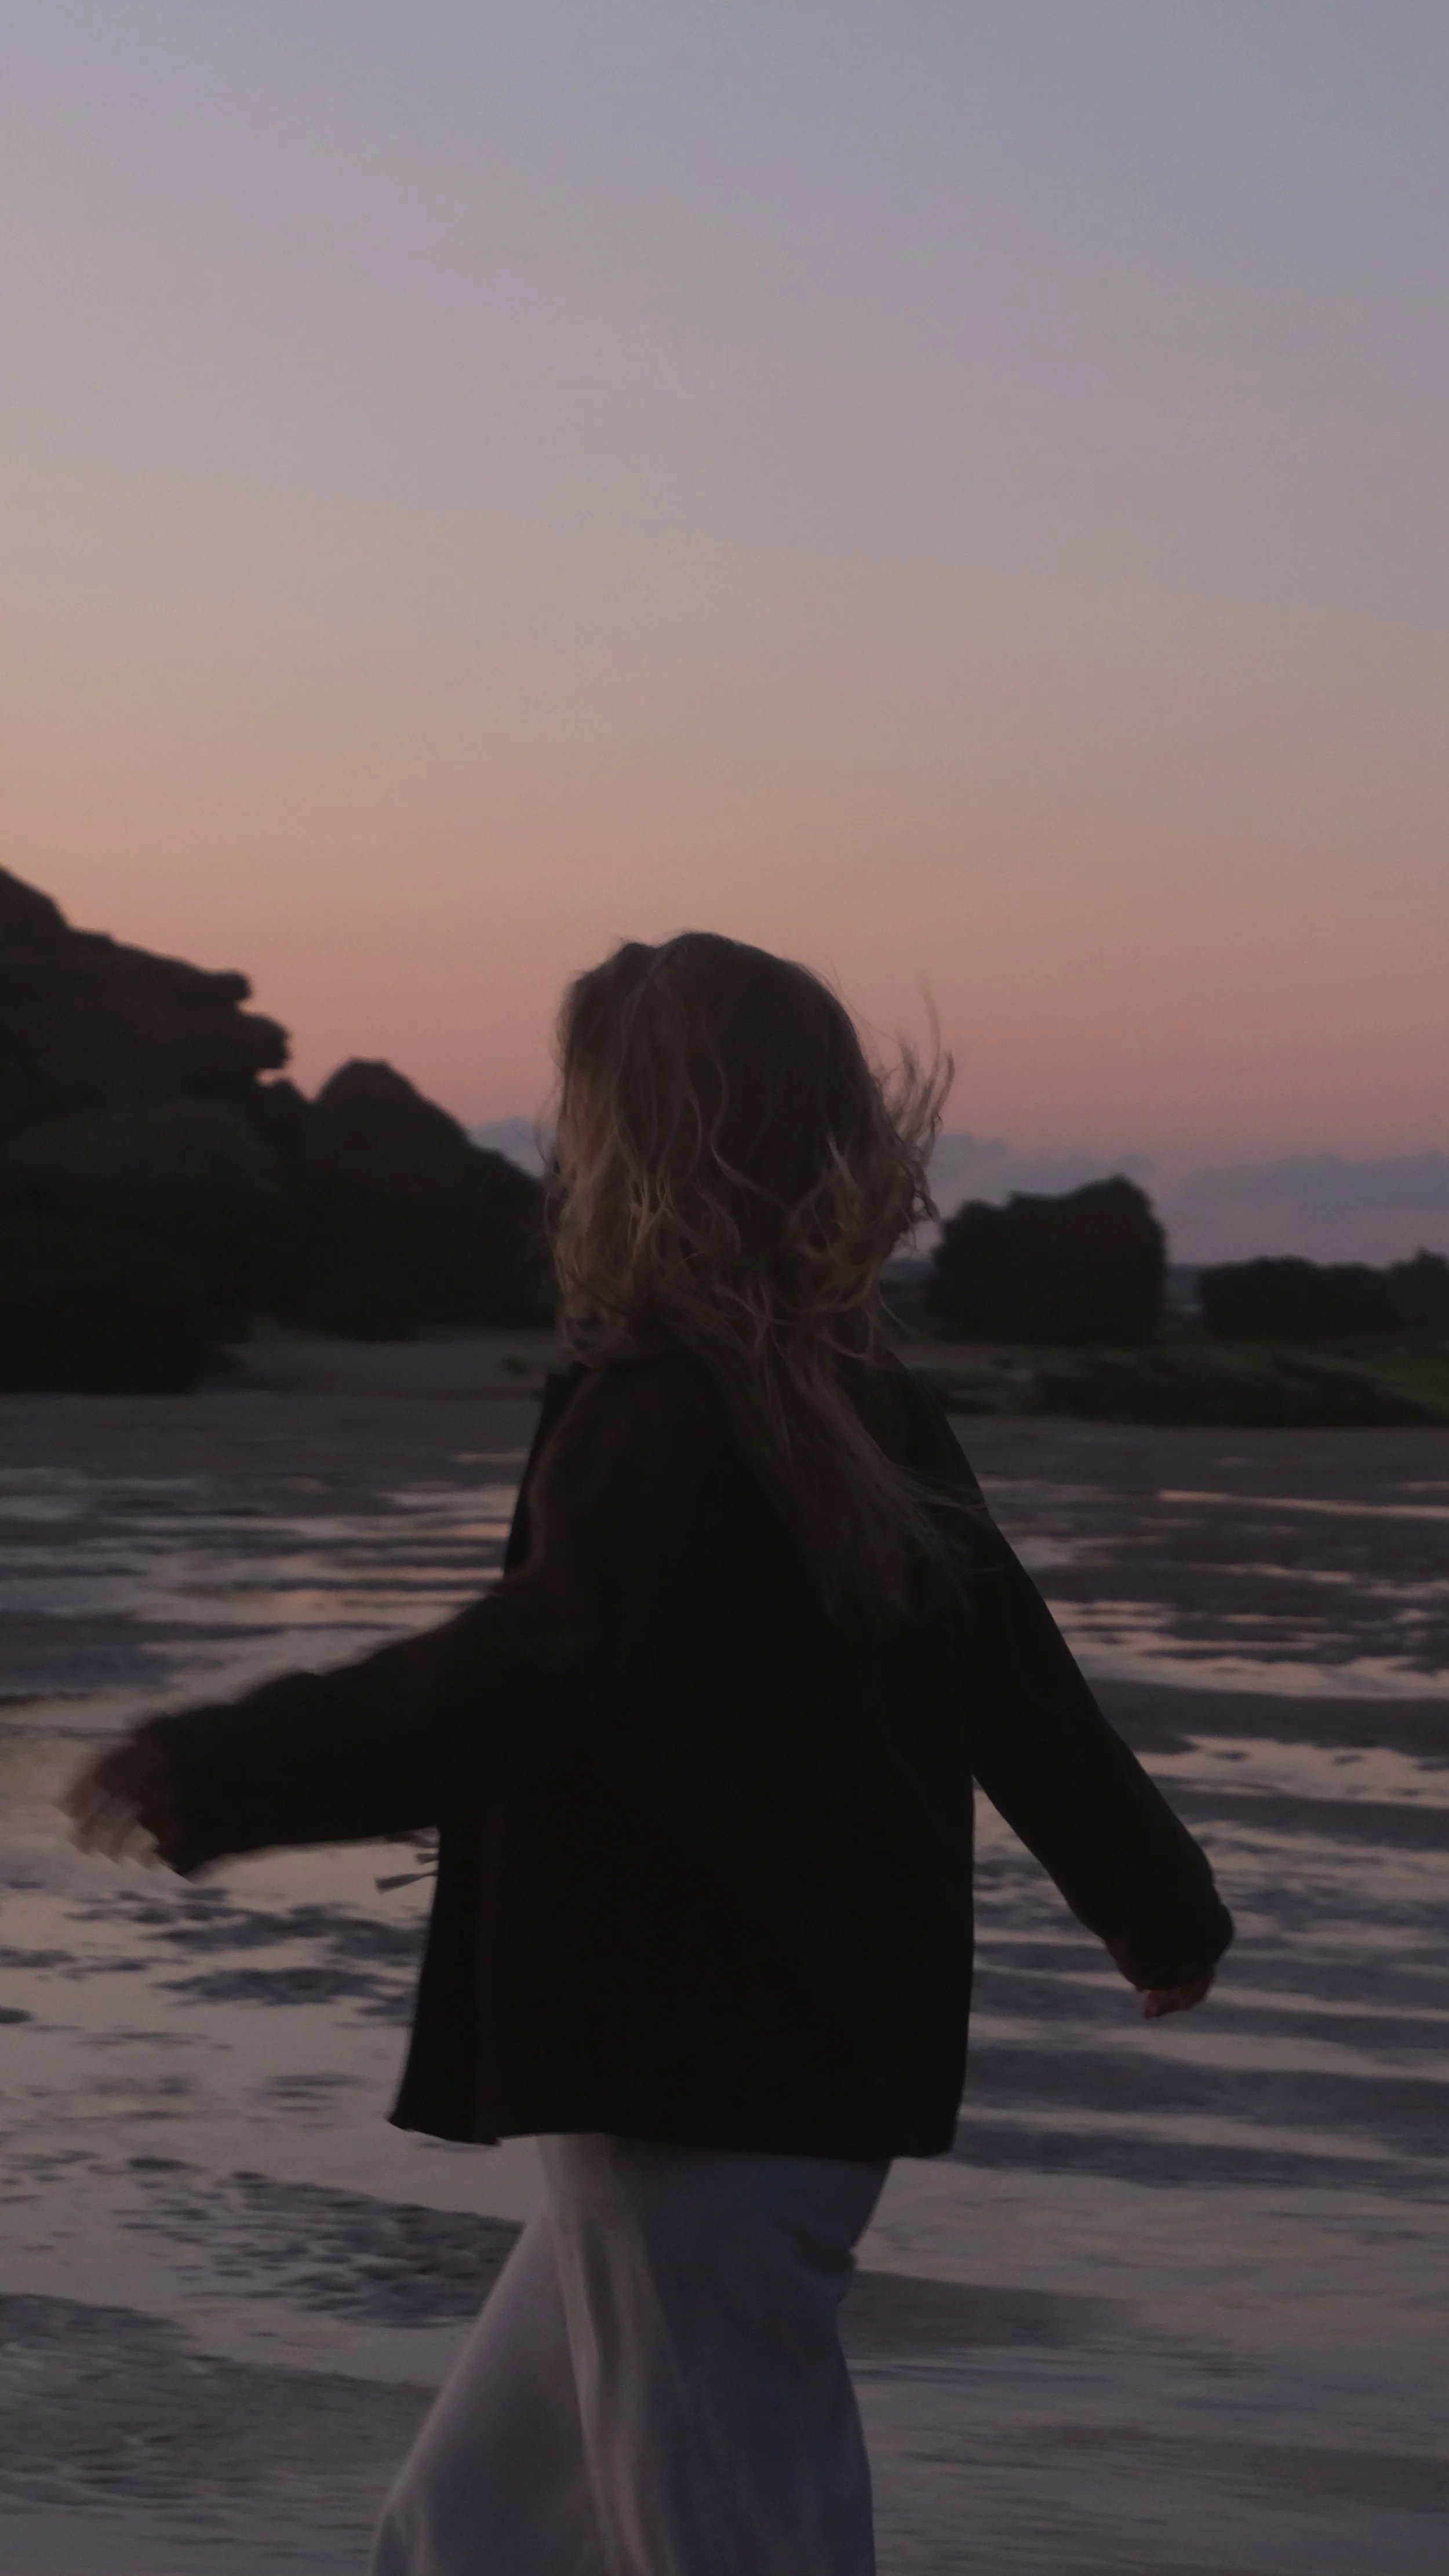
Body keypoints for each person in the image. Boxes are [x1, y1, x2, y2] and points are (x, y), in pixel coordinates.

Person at [66, 933, 1231, 2576]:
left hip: (684, 2067)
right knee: (467, 2533)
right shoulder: (848, 1395)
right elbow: (1018, 1683)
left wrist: (223, 1768)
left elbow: (520, 1671)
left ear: (639, 1140)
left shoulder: (670, 1404)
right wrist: (1158, 1906)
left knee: (728, 2535)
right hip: (787, 2063)